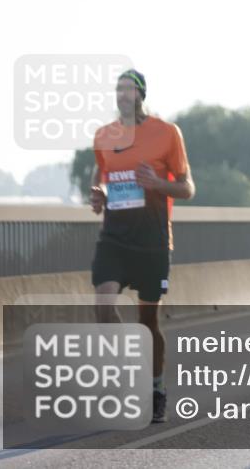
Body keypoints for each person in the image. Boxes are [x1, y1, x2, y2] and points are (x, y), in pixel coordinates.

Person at [89, 69, 195, 423]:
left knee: (148, 320)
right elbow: (101, 173)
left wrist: (155, 183)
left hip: (152, 241)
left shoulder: (166, 133)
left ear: (141, 94)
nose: (122, 94)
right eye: (118, 88)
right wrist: (99, 194)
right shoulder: (104, 135)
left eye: (129, 89)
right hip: (114, 238)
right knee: (103, 307)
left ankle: (157, 387)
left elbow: (187, 187)